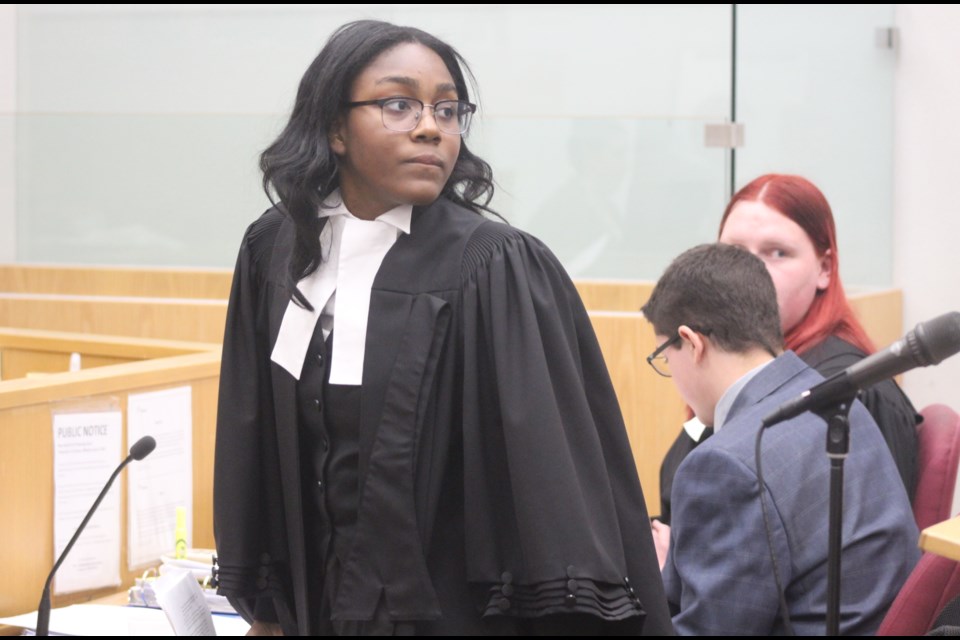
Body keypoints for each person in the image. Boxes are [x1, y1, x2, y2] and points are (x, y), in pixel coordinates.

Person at [212, 19, 672, 636]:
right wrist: (268, 611)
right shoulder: (276, 249)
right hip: (313, 609)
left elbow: (547, 492)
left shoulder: (496, 267)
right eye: (398, 105)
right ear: (333, 128)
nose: (431, 127)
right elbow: (253, 439)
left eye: (449, 109)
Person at [643, 243, 918, 635]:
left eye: (664, 357)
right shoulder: (839, 400)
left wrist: (655, 579)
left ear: (691, 342)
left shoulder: (723, 465)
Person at [657, 174, 919, 526]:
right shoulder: (736, 372)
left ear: (824, 269)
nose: (747, 273)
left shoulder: (847, 394)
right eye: (733, 252)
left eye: (777, 253)